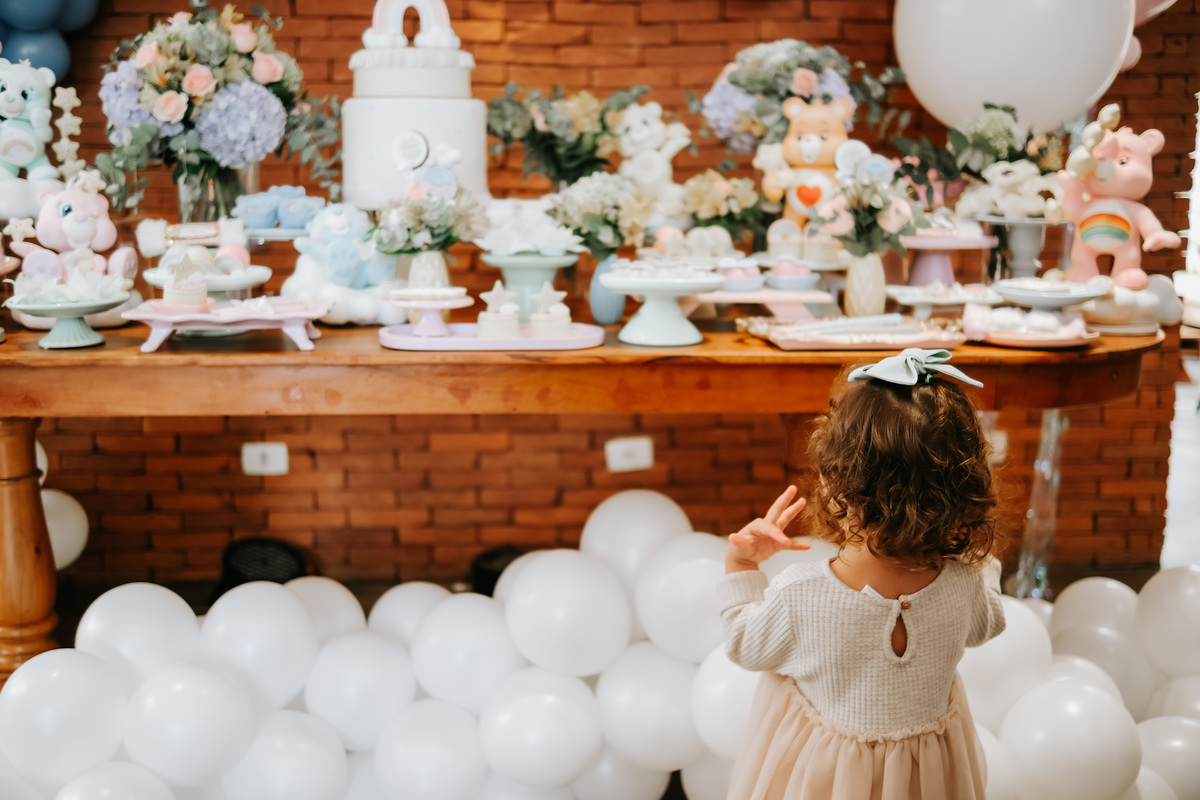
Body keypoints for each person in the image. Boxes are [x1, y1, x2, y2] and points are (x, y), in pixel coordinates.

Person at [719, 349, 1006, 800]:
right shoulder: (966, 584)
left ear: (836, 479)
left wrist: (742, 564)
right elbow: (988, 621)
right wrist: (974, 555)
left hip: (829, 783)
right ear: (962, 488)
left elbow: (744, 643)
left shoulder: (801, 595)